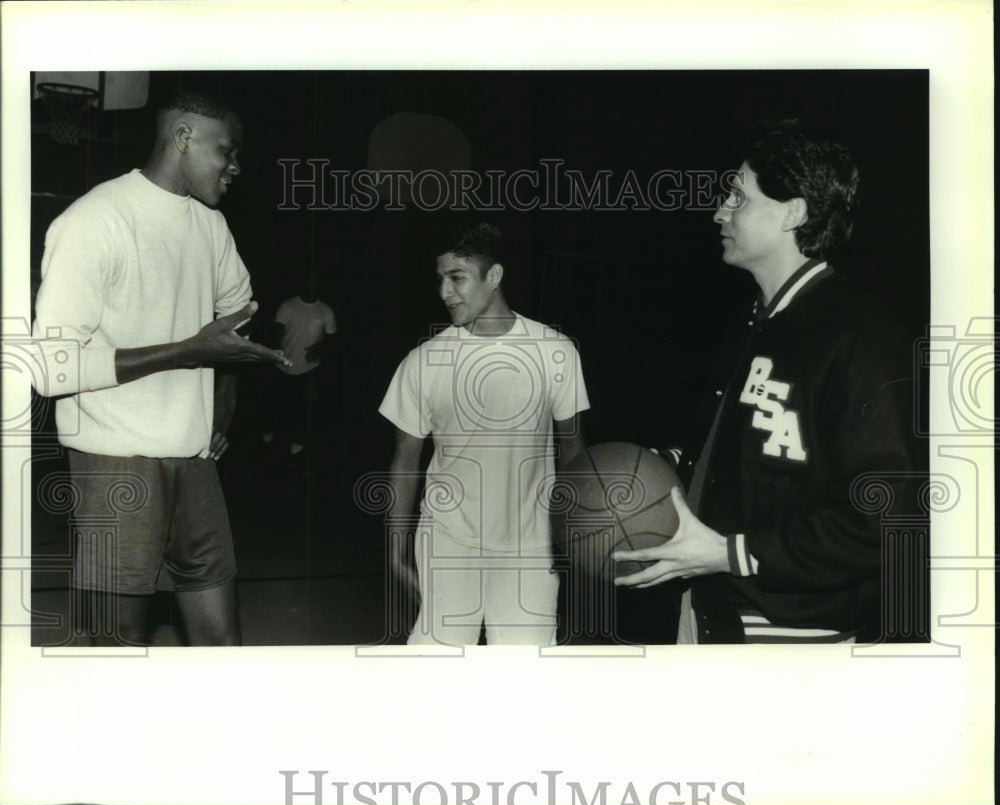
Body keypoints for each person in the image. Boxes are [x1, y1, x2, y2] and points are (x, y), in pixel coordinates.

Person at [615, 120, 923, 644]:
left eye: (738, 196)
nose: (719, 211)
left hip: (789, 629)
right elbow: (753, 463)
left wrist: (730, 552)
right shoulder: (754, 321)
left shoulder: (859, 336)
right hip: (711, 608)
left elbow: (888, 519)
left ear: (793, 212)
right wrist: (664, 466)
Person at [31, 88, 289, 646]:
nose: (236, 166)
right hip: (114, 464)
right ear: (183, 139)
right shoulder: (95, 220)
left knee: (221, 642)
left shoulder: (210, 226)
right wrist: (187, 351)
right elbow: (50, 369)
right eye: (228, 151)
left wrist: (221, 412)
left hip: (194, 463)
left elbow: (237, 316)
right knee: (118, 648)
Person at [379, 223, 590, 645]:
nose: (444, 292)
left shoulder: (556, 351)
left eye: (456, 278)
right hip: (448, 541)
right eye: (439, 279)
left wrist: (578, 534)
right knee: (434, 681)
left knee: (523, 683)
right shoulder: (424, 360)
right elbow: (404, 461)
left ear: (493, 277)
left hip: (531, 548)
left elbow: (574, 452)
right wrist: (395, 548)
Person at [262, 276, 337, 462]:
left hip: (309, 369)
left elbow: (333, 341)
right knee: (277, 405)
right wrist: (275, 353)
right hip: (282, 364)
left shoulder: (326, 311)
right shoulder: (288, 306)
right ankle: (267, 438)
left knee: (304, 408)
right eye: (308, 282)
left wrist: (321, 347)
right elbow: (276, 332)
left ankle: (297, 448)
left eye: (315, 283)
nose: (311, 286)